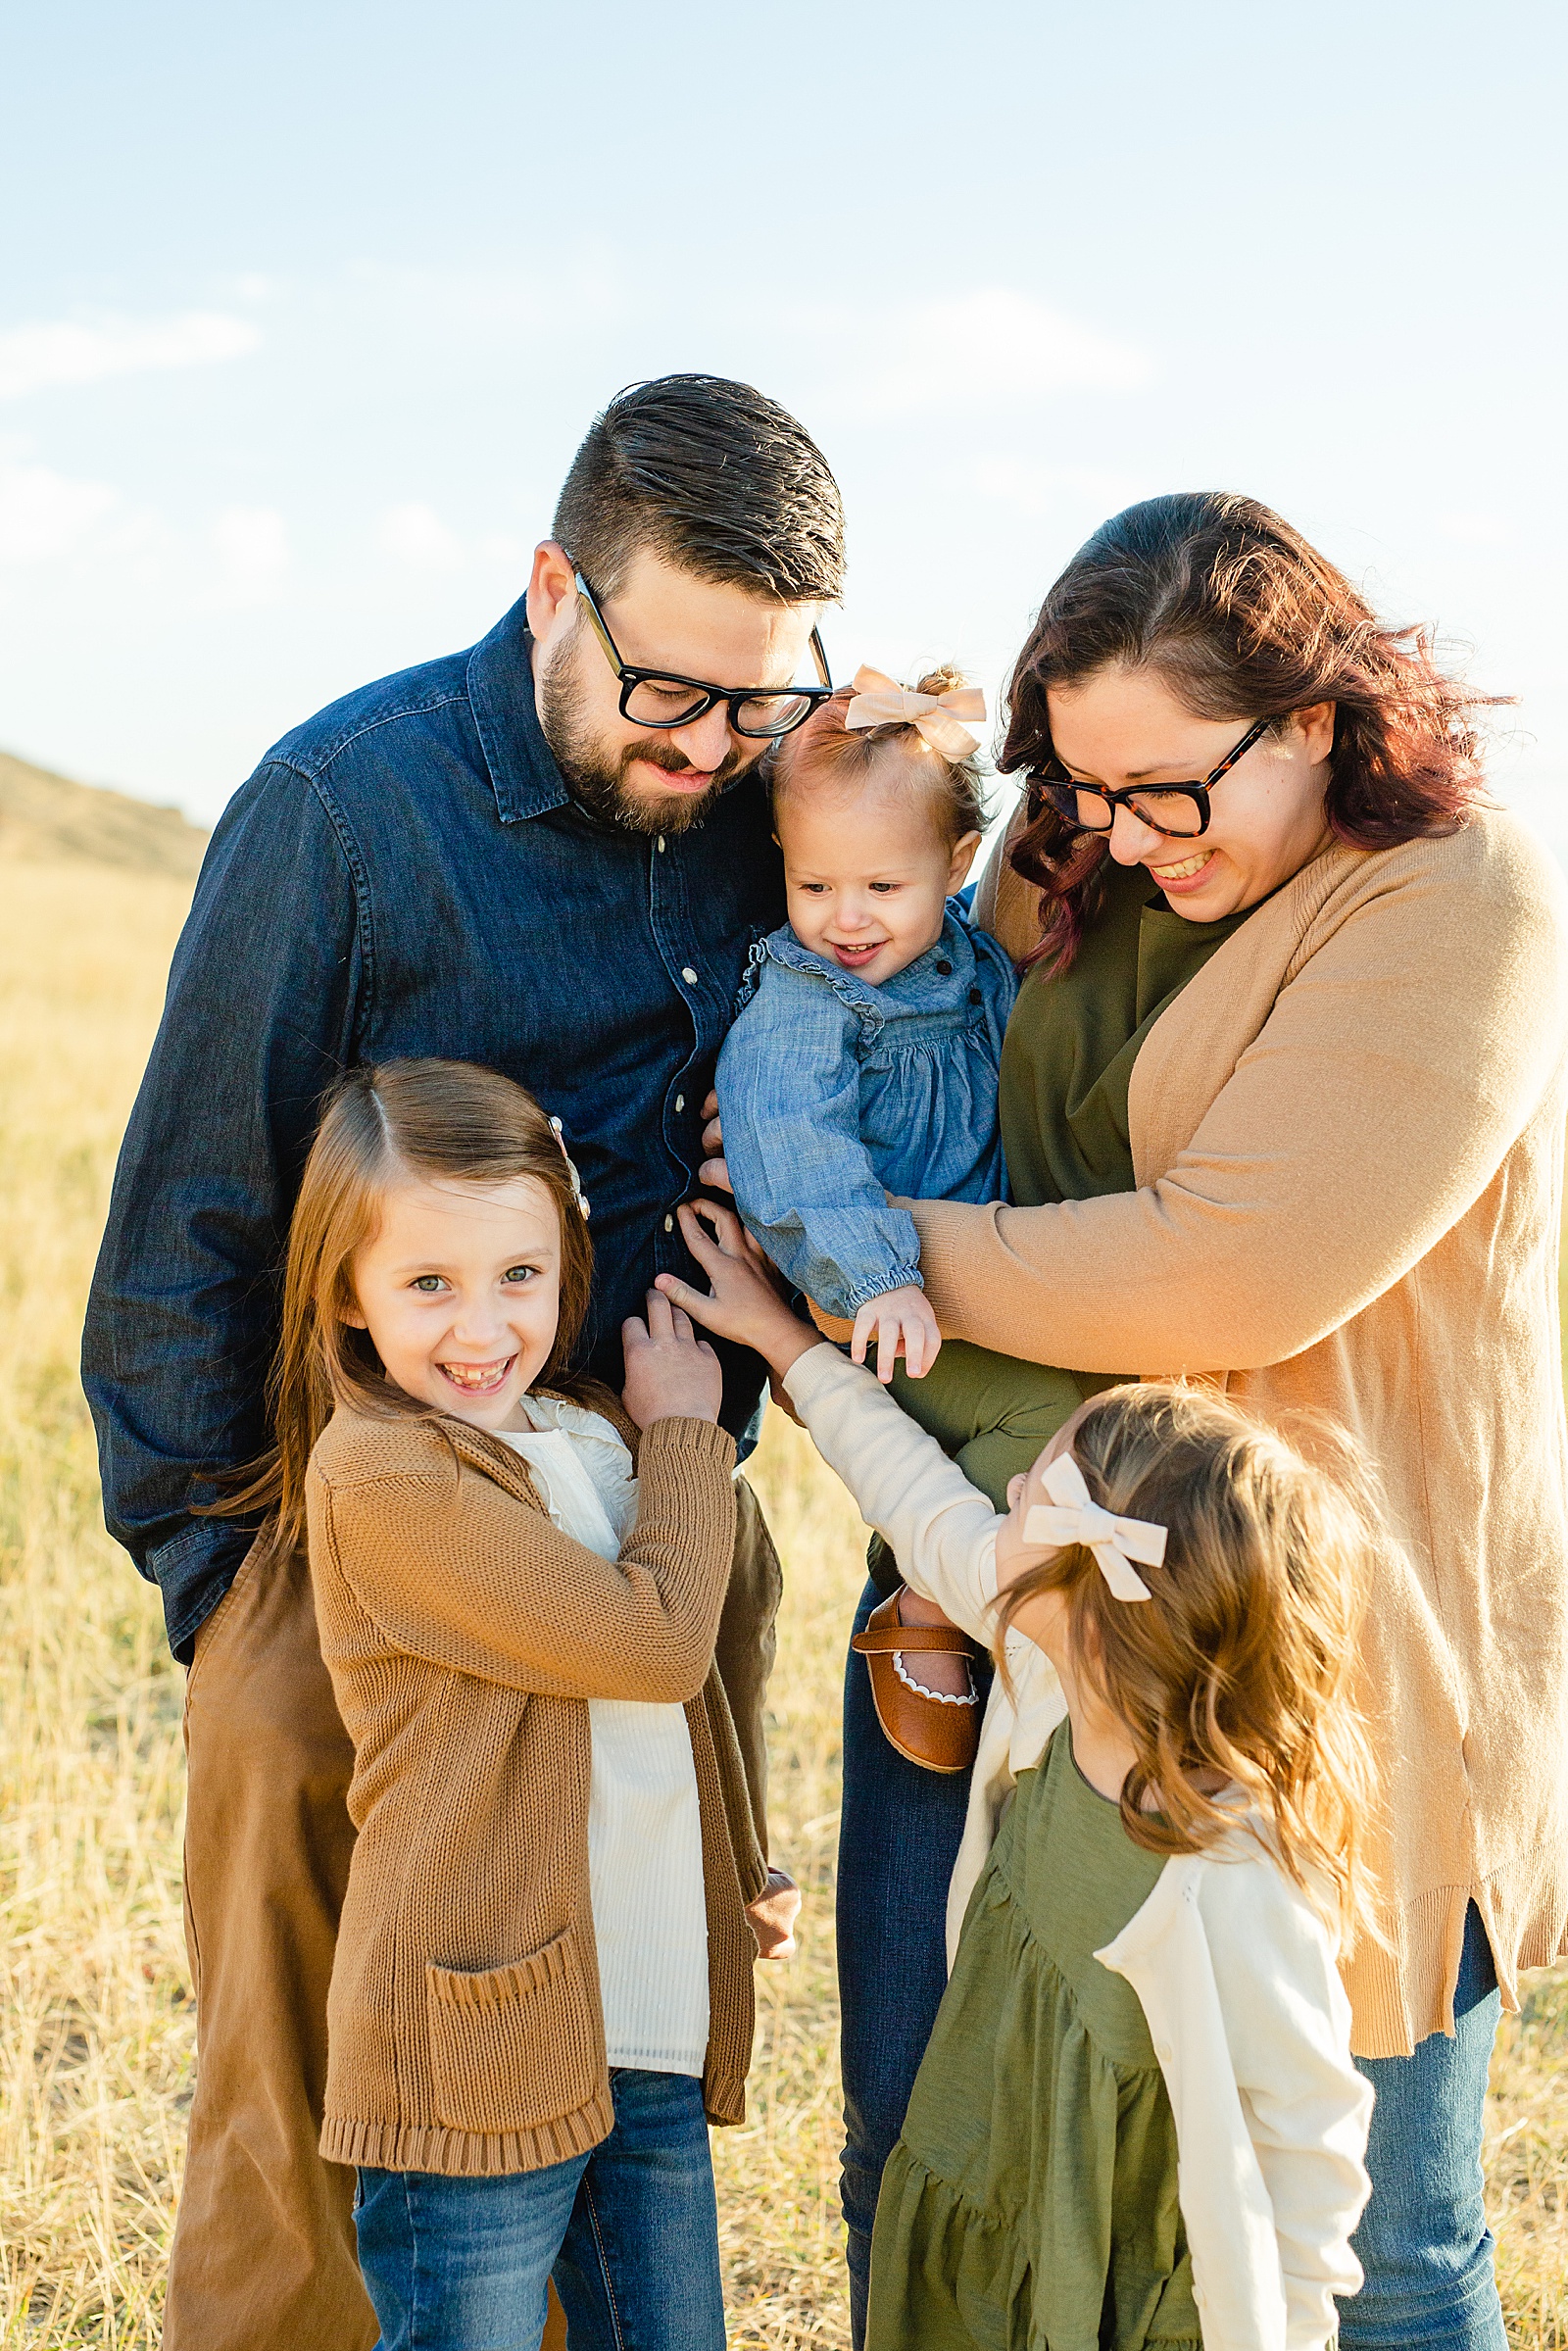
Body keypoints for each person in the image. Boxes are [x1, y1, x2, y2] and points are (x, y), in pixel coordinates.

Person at [706, 489, 1567, 2351]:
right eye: (1079, 787)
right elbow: (873, 920)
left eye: (1170, 787)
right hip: (996, 1586)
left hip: (1317, 1648)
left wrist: (844, 1242)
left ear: (1317, 721)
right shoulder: (1082, 848)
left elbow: (1225, 1267)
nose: (1112, 832)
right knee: (941, 2172)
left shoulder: (1455, 897)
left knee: (1364, 2242)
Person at [80, 372, 843, 2351]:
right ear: (548, 593)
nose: (709, 749)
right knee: (317, 2105)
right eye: (669, 693)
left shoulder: (768, 802)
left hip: (633, 1505)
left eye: (760, 704)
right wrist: (233, 1602)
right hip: (371, 1527)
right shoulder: (342, 809)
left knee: (605, 2070)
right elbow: (186, 1230)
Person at [657, 1208, 1380, 2349]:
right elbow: (915, 1493)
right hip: (987, 2185)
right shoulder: (1047, 1662)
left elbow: (1312, 2141)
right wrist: (783, 1340)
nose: (996, 1499)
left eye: (1028, 1478)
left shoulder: (1231, 1870)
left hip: (1120, 2278)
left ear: (1084, 1578)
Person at [227, 1058, 768, 2351]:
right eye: (429, 1283)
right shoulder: (386, 1470)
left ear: (567, 1257)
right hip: (477, 2041)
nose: (482, 1327)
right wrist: (690, 1432)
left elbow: (686, 1705)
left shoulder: (585, 1429)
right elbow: (653, 1644)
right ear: (347, 1296)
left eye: (518, 1274)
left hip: (648, 2014)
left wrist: (745, 1864)